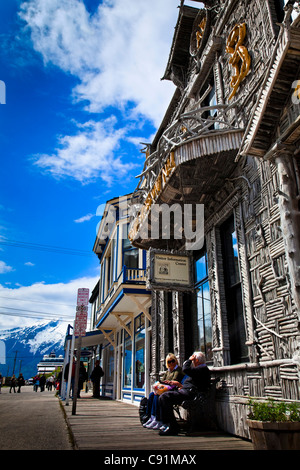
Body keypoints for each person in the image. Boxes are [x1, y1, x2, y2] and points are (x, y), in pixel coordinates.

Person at [158, 351, 211, 436]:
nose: (192, 362)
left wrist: (189, 360)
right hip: (186, 391)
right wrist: (180, 386)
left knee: (164, 397)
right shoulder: (199, 370)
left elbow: (185, 369)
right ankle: (168, 424)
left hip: (190, 394)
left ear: (196, 360)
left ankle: (173, 427)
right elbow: (193, 383)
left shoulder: (202, 369)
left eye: (193, 360)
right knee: (162, 396)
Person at [143, 353, 185, 430]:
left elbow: (174, 380)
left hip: (173, 390)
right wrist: (159, 384)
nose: (171, 363)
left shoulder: (178, 369)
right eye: (169, 362)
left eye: (173, 361)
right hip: (166, 389)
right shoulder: (167, 371)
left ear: (175, 361)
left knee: (157, 395)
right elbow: (162, 381)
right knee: (152, 394)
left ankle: (158, 419)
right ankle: (151, 417)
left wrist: (165, 382)